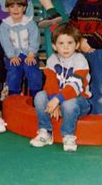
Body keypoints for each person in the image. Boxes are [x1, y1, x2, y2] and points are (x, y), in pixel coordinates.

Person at [30, 23, 91, 152]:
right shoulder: (52, 59)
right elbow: (50, 83)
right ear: (54, 46)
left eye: (70, 43)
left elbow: (76, 85)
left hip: (79, 102)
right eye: (61, 43)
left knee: (69, 103)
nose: (66, 47)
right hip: (58, 100)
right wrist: (55, 101)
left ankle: (68, 136)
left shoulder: (80, 60)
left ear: (77, 45)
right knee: (40, 96)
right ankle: (45, 132)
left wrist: (58, 100)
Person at [0, 0, 42, 97]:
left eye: (19, 6)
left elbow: (34, 39)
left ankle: (35, 95)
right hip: (13, 55)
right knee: (14, 71)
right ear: (7, 9)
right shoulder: (5, 25)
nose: (16, 9)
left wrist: (31, 53)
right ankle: (14, 95)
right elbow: (5, 42)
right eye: (12, 6)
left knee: (32, 70)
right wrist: (11, 56)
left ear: (24, 8)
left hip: (29, 54)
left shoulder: (30, 23)